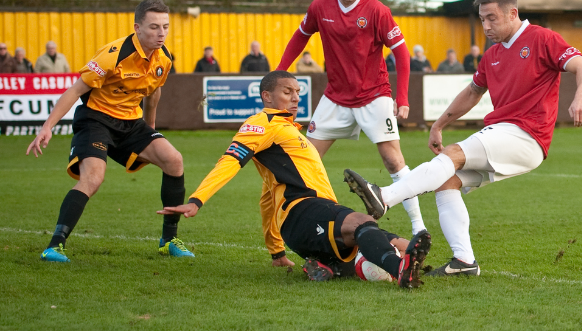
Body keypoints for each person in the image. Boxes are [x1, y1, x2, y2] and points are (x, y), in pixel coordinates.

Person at [344, 0, 582, 277]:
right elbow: (473, 91)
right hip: (506, 135)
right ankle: (464, 261)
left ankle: (384, 197)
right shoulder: (492, 55)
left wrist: (581, 97)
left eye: (492, 18)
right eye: (482, 19)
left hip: (526, 135)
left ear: (513, 13)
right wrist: (439, 124)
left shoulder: (541, 38)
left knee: (454, 154)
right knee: (447, 182)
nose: (486, 26)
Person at [158, 71, 432, 289]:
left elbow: (268, 197)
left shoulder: (290, 131)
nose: (295, 97)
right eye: (287, 92)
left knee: (393, 242)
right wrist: (197, 200)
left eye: (298, 92)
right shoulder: (262, 123)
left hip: (307, 221)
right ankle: (400, 272)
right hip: (302, 211)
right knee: (362, 222)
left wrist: (277, 253)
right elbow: (230, 160)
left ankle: (333, 267)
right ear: (266, 95)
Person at [26, 0, 194, 262]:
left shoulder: (164, 58)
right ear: (137, 28)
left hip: (131, 123)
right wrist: (47, 127)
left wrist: (150, 130)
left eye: (165, 26)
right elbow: (75, 90)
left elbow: (153, 92)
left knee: (174, 160)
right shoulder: (113, 54)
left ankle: (169, 241)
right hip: (96, 120)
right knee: (93, 178)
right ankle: (54, 246)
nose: (161, 33)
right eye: (153, 27)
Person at [276, 0, 427, 237]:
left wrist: (402, 98)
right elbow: (300, 36)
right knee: (305, 159)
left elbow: (402, 53)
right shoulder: (320, 7)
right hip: (335, 97)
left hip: (374, 95)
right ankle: (312, 222)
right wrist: (280, 72)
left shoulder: (378, 11)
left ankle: (419, 226)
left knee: (394, 161)